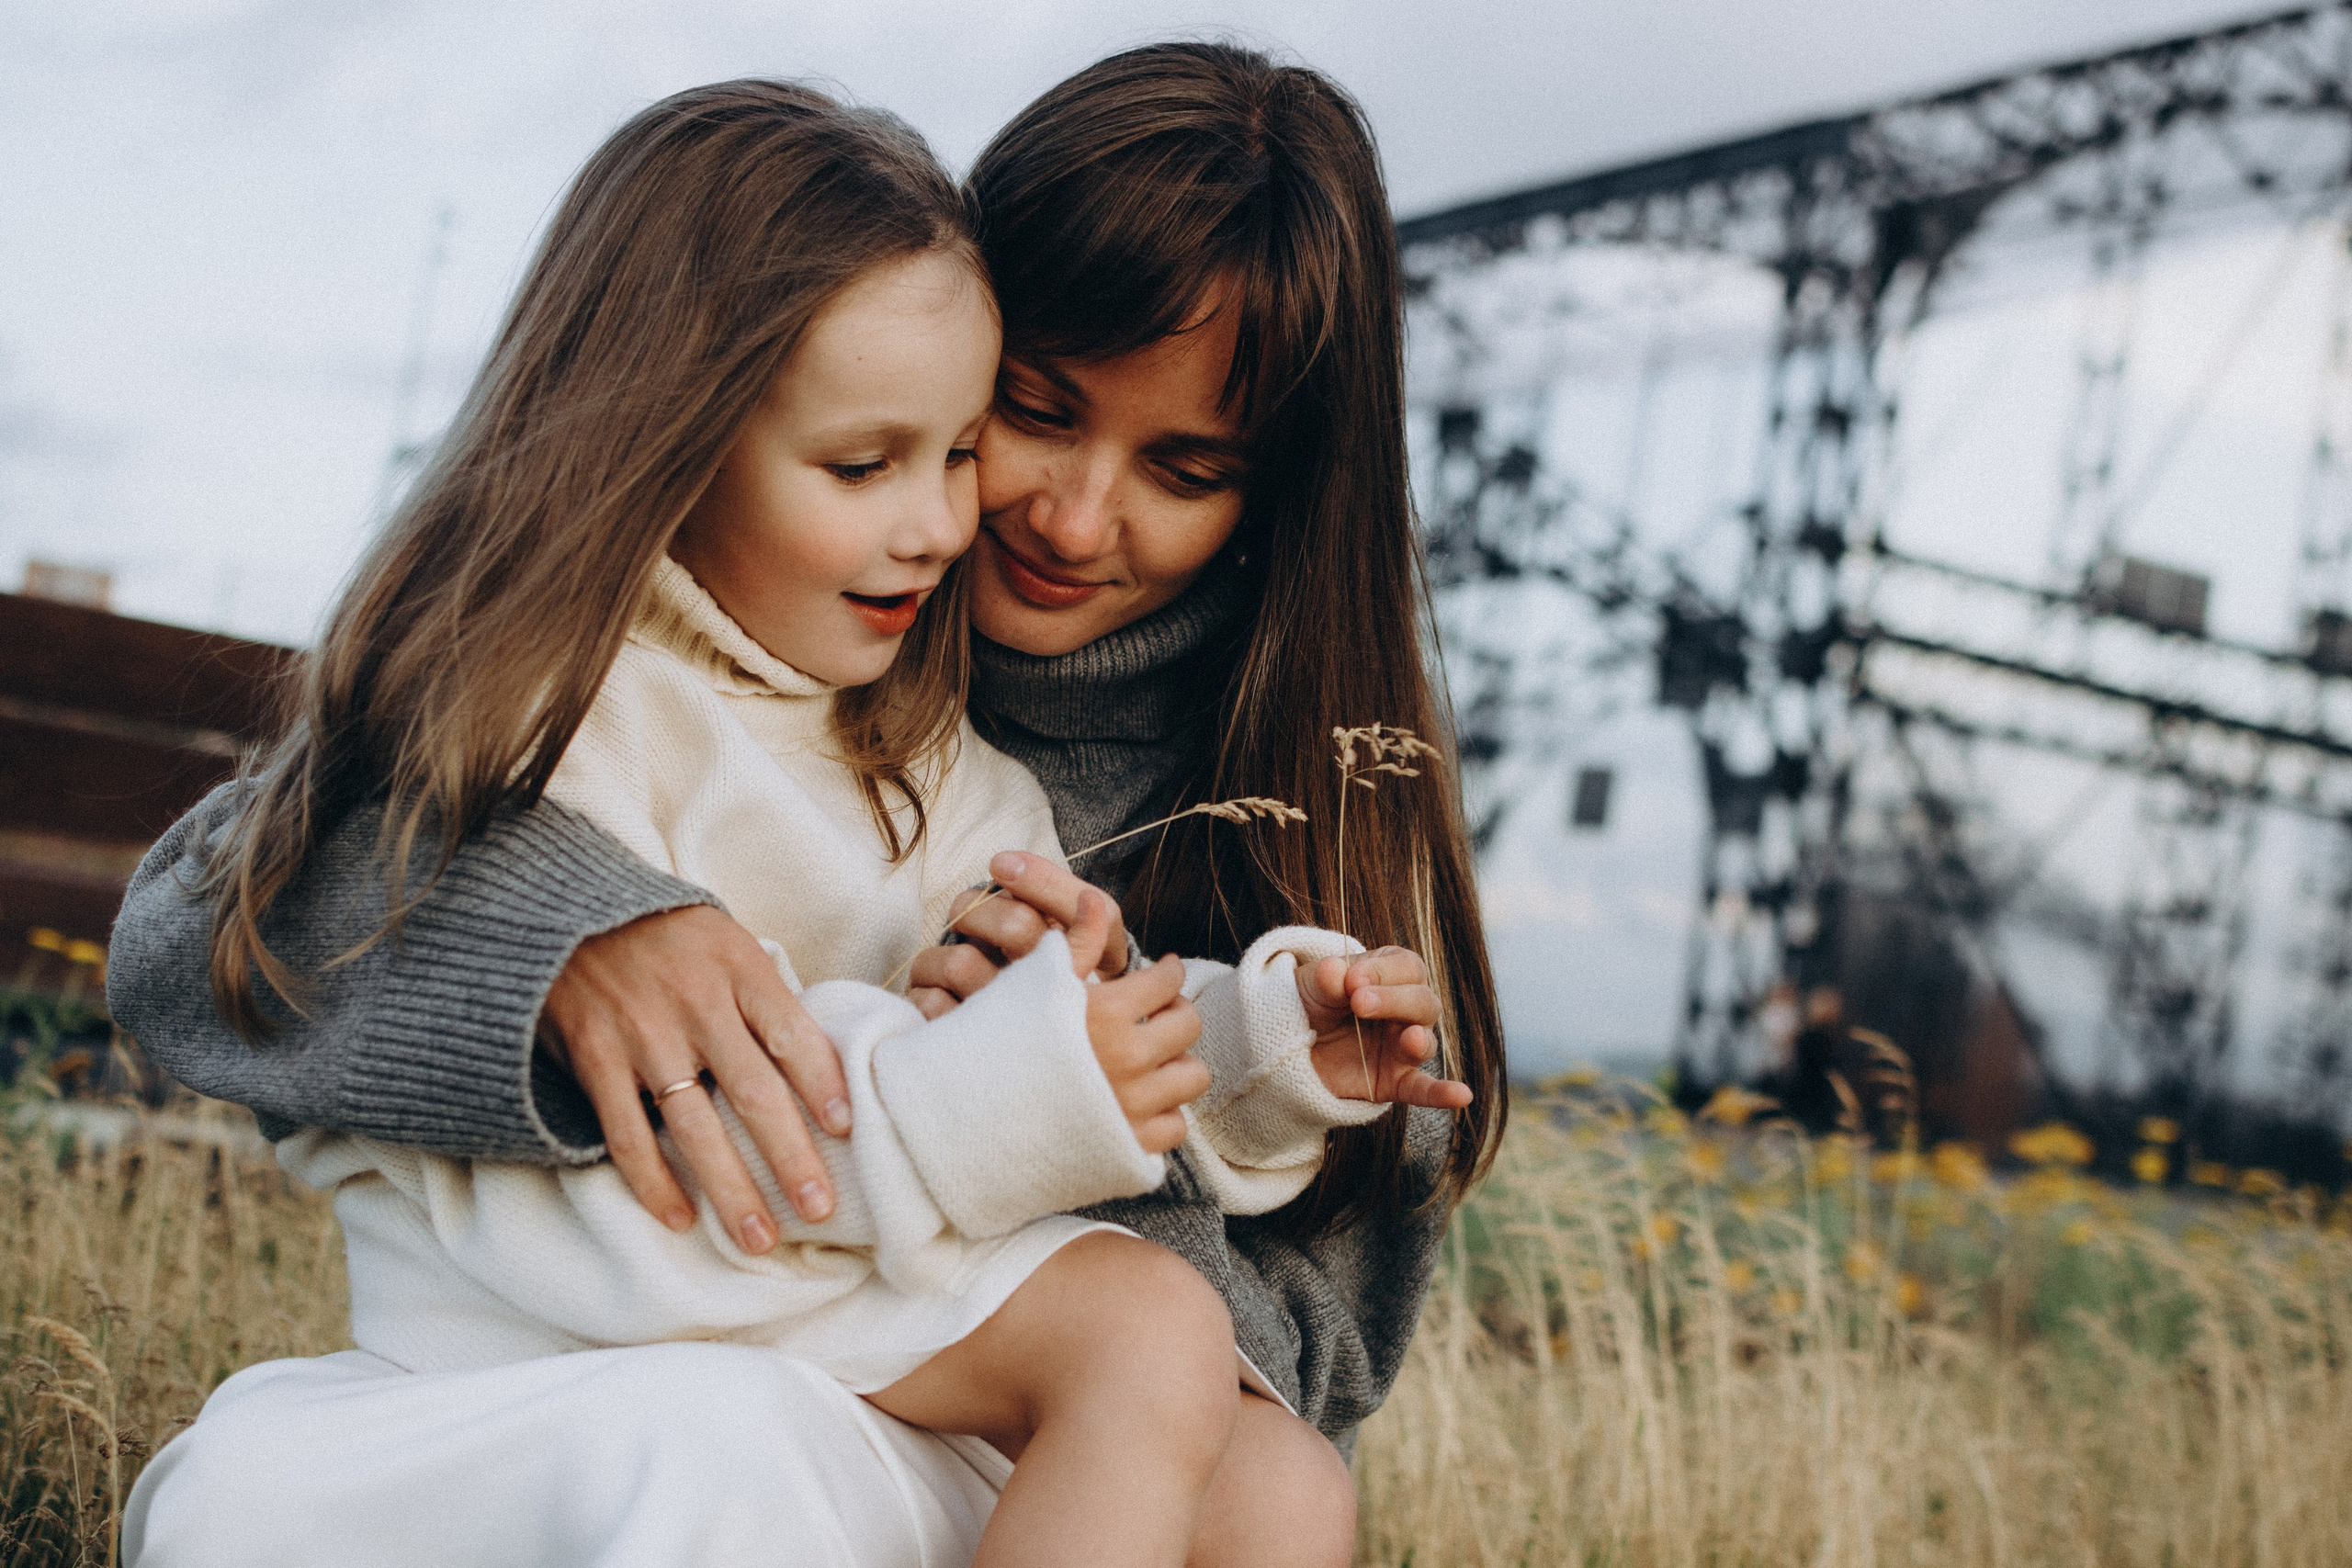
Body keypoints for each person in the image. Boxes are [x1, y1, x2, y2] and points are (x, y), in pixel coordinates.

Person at [112, 40, 1508, 1567]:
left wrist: (1223, 1051)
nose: (1061, 517)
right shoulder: (624, 684)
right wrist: (569, 927)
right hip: (666, 1277)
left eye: (1183, 469)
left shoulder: (1267, 775)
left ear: (1276, 494)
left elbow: (1280, 1325)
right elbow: (232, 903)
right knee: (1112, 1345)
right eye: (1030, 413)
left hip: (900, 1299)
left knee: (1266, 1461)